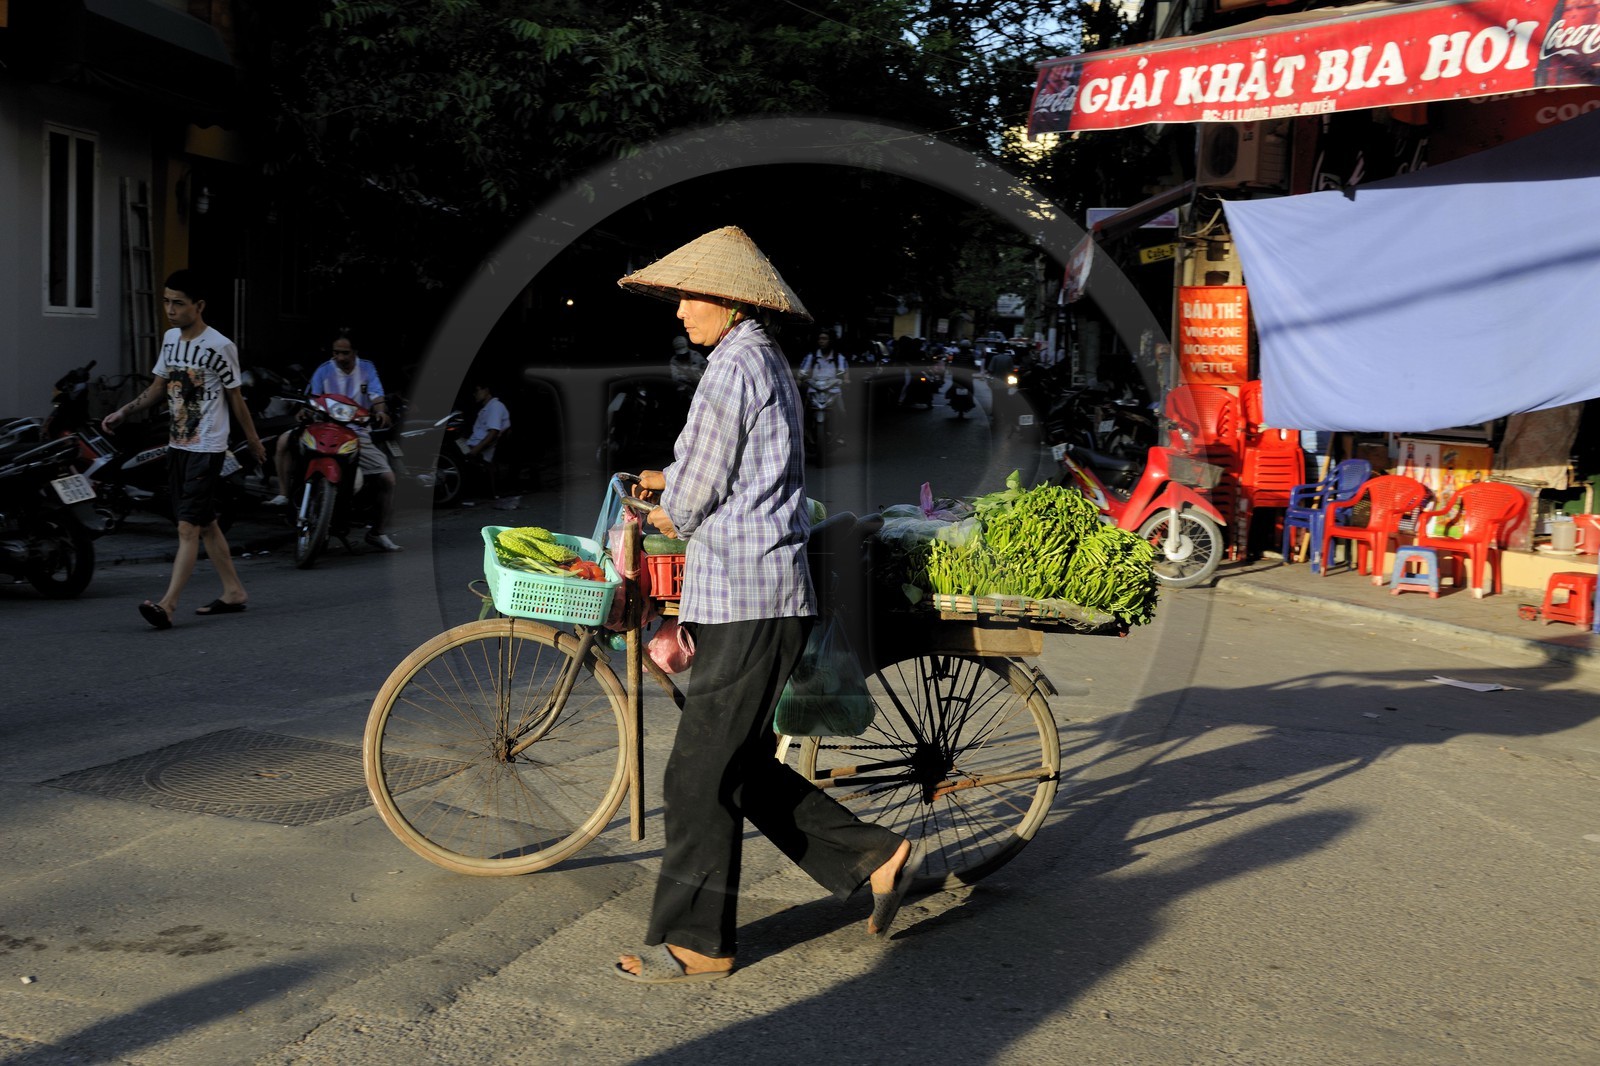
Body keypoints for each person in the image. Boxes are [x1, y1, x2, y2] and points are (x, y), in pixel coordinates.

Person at [612, 225, 916, 985]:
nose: (681, 311)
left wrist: (663, 505)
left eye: (688, 297)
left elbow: (697, 491)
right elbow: (717, 466)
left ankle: (698, 941)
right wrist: (667, 478)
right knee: (736, 764)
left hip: (749, 597)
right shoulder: (759, 359)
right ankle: (872, 854)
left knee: (694, 776)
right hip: (753, 595)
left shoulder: (730, 369)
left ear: (723, 300)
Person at [101, 269, 267, 629]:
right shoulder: (171, 339)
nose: (170, 309)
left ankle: (168, 605)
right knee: (206, 524)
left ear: (199, 305)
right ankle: (234, 591)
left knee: (187, 528)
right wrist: (124, 411)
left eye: (178, 303)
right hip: (178, 444)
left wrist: (252, 441)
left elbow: (236, 399)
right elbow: (159, 387)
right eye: (166, 301)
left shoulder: (220, 346)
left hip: (207, 447)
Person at [267, 330, 402, 551]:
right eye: (336, 353)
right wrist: (304, 410)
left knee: (388, 479)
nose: (339, 357)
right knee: (283, 442)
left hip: (356, 433)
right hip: (322, 428)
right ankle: (283, 494)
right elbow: (311, 397)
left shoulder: (367, 369)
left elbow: (377, 396)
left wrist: (380, 411)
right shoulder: (324, 370)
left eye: (345, 353)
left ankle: (378, 532)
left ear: (355, 352)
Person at [458, 379, 512, 506]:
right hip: (474, 443)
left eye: (477, 391)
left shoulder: (495, 407)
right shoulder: (486, 409)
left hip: (483, 448)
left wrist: (476, 449)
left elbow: (493, 432)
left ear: (486, 390)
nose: (475, 394)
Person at [797, 328, 849, 448]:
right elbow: (802, 371)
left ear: (830, 341)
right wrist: (800, 379)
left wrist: (846, 380)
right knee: (804, 413)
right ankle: (805, 435)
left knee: (842, 411)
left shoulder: (838, 357)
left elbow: (844, 373)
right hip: (814, 391)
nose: (822, 341)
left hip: (833, 391)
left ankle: (841, 436)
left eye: (825, 339)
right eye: (820, 339)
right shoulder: (812, 356)